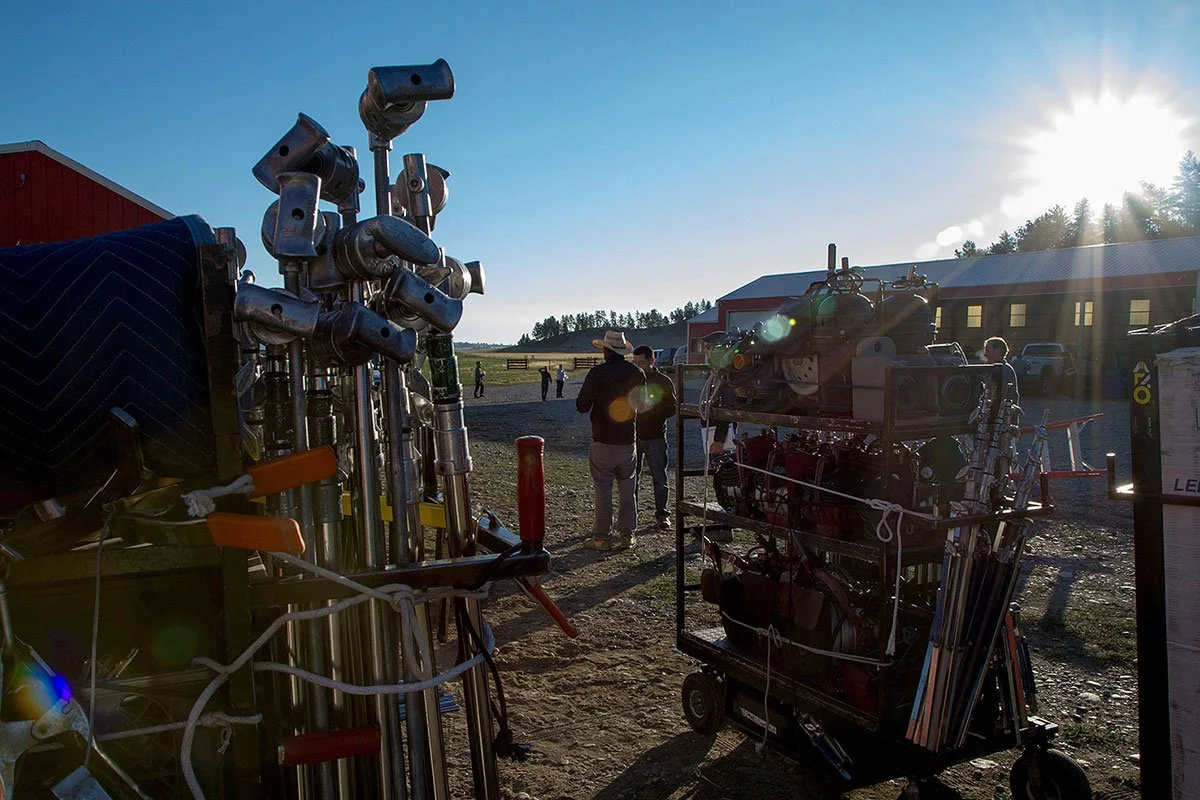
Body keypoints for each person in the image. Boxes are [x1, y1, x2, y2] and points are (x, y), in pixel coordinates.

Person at [576, 330, 646, 551]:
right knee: (627, 488)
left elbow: (582, 406)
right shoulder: (636, 373)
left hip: (603, 439)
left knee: (603, 489)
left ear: (606, 350)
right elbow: (644, 406)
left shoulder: (597, 373)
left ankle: (601, 537)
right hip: (627, 440)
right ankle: (627, 535)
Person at [630, 345, 677, 529]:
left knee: (659, 477)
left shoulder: (663, 381)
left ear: (651, 360)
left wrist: (652, 413)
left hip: (655, 436)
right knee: (632, 479)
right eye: (636, 363)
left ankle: (662, 514)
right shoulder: (632, 380)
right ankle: (631, 516)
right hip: (633, 436)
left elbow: (672, 408)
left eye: (641, 362)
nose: (639, 366)